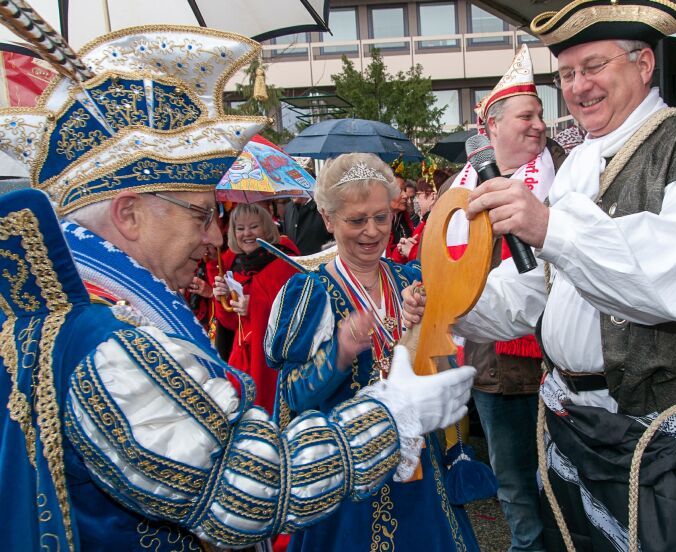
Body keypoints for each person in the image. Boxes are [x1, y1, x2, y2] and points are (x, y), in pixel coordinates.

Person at [0, 21, 475, 551]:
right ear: (129, 214)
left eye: (381, 217)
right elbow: (241, 487)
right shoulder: (103, 342)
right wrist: (391, 413)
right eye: (201, 213)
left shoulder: (66, 317)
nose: (214, 237)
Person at [405, 1, 676, 549]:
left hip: (656, 433)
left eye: (593, 67)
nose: (578, 86)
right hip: (572, 421)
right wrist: (454, 307)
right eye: (566, 74)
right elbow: (543, 285)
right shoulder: (582, 160)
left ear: (644, 64)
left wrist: (549, 228)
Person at [266, 153, 479, 552]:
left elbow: (441, 369)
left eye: (381, 217)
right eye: (356, 220)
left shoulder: (411, 279)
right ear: (328, 219)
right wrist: (339, 354)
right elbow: (291, 395)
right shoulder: (311, 293)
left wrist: (425, 327)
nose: (372, 231)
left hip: (418, 474)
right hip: (346, 482)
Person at [436, 44, 566, 552]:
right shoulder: (458, 190)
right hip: (493, 366)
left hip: (560, 363)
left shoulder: (569, 174)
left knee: (565, 487)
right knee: (514, 486)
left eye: (540, 114)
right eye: (526, 116)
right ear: (492, 126)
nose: (539, 125)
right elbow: (439, 267)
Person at [211, 203, 299, 411]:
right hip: (243, 361)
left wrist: (255, 306)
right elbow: (231, 324)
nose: (247, 234)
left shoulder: (284, 261)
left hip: (270, 365)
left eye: (254, 227)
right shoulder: (237, 265)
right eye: (240, 228)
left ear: (267, 228)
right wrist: (223, 299)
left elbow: (295, 312)